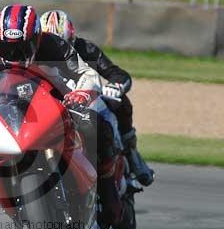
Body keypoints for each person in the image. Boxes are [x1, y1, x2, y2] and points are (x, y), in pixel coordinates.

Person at [0, 4, 122, 225]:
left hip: (58, 100)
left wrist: (82, 93)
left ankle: (107, 187)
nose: (15, 55)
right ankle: (17, 205)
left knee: (97, 125)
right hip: (11, 109)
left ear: (36, 39)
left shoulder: (55, 46)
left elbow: (87, 73)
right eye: (8, 48)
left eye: (22, 47)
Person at [39, 10, 154, 187]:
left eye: (63, 44)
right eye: (50, 45)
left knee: (118, 102)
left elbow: (119, 75)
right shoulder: (34, 53)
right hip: (51, 105)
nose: (57, 50)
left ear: (72, 39)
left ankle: (131, 153)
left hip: (84, 104)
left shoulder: (86, 49)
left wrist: (113, 87)